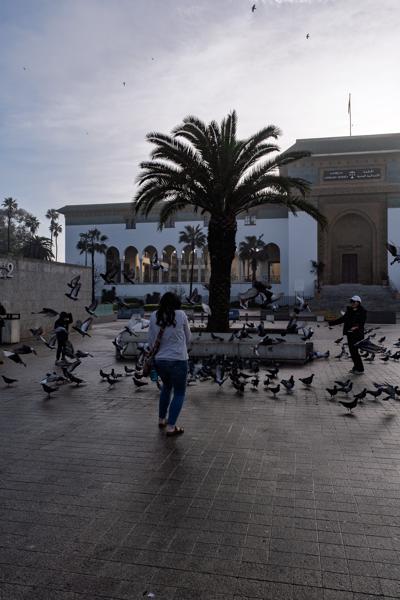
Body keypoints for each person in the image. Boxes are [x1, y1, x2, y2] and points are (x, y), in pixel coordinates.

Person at [148, 292, 191, 437]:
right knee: (179, 393)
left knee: (166, 387)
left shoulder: (154, 315)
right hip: (178, 359)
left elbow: (151, 340)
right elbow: (188, 337)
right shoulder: (181, 315)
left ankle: (161, 419)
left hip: (160, 360)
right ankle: (171, 427)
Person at [328, 295, 367, 374]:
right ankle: (356, 367)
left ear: (358, 302)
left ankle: (360, 369)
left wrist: (355, 327)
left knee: (354, 352)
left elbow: (361, 323)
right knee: (352, 352)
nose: (352, 303)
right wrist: (331, 323)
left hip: (357, 334)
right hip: (350, 334)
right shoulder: (350, 310)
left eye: (353, 301)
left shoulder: (362, 311)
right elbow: (342, 319)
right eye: (351, 301)